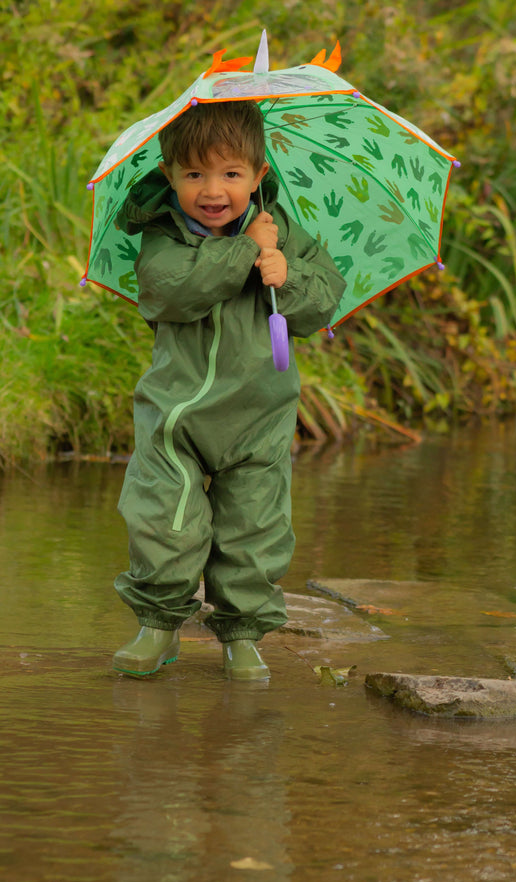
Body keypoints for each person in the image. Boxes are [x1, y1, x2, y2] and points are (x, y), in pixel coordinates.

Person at [112, 100, 346, 680]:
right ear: (169, 175)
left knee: (255, 528)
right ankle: (159, 626)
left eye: (231, 174)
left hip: (258, 417)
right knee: (164, 520)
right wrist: (243, 250)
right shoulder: (163, 237)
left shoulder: (282, 233)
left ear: (259, 176)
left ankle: (242, 634)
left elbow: (323, 301)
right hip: (177, 417)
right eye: (194, 174)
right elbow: (171, 292)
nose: (212, 190)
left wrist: (284, 272)